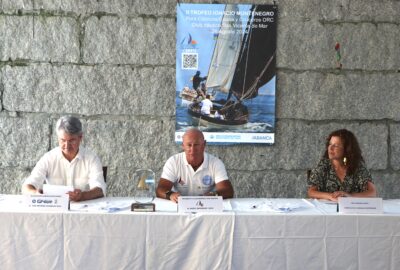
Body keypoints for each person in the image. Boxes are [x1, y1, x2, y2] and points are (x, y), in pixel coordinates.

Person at [22, 116, 106, 202]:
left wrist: (83, 196)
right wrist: (35, 194)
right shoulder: (49, 158)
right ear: (58, 138)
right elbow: (26, 187)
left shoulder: (92, 158)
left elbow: (100, 190)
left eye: (72, 140)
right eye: (62, 140)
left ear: (80, 138)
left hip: (85, 208)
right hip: (55, 210)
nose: (67, 146)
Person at [156, 128, 234, 203]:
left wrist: (213, 195)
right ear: (183, 146)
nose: (192, 150)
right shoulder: (173, 162)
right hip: (179, 205)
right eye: (189, 145)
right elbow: (161, 189)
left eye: (196, 145)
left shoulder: (215, 163)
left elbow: (227, 190)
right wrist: (171, 195)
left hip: (207, 206)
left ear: (204, 145)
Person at [307, 129, 377, 202]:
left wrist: (350, 196)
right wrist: (330, 196)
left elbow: (372, 192)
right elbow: (311, 192)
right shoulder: (324, 164)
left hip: (352, 210)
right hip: (327, 210)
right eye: (330, 144)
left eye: (336, 145)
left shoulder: (357, 165)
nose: (330, 148)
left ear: (346, 149)